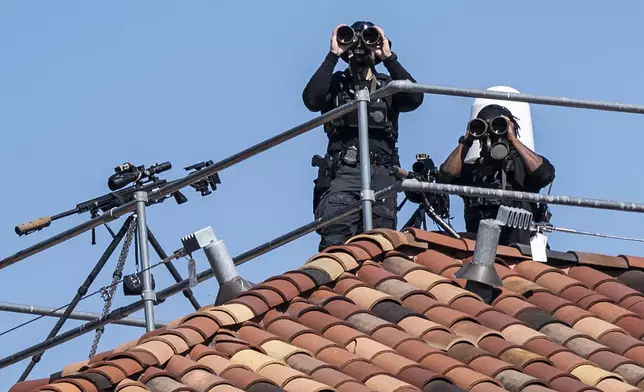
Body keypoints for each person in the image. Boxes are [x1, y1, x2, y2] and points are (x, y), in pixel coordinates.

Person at [303, 21, 424, 251]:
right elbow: (311, 100)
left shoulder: (389, 86)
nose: (362, 47)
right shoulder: (336, 84)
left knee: (381, 243)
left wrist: (388, 57)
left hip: (381, 172)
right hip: (344, 172)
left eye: (369, 40)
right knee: (335, 241)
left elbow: (415, 98)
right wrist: (333, 55)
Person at [439, 104, 555, 245]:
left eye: (499, 126)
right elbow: (446, 175)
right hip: (480, 244)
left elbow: (544, 174)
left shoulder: (522, 167)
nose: (492, 135)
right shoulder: (474, 171)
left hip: (518, 247)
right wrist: (468, 139)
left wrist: (513, 139)